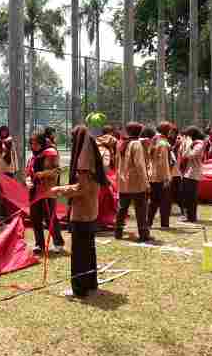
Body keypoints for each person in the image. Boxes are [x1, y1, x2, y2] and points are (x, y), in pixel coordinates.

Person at [50, 125, 109, 298]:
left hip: (82, 212)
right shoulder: (92, 158)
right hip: (90, 211)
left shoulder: (84, 162)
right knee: (88, 249)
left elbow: (81, 188)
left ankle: (79, 289)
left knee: (79, 252)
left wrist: (59, 189)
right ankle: (90, 283)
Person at [26, 131, 65, 254]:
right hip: (34, 190)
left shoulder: (51, 153)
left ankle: (58, 243)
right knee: (35, 217)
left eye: (35, 143)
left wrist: (43, 174)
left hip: (47, 190)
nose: (33, 146)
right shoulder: (33, 155)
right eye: (31, 143)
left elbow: (57, 170)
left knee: (50, 218)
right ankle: (39, 244)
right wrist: (28, 180)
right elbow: (29, 171)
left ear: (42, 143)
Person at [115, 122, 151, 242]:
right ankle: (143, 233)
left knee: (122, 209)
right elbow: (140, 165)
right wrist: (146, 183)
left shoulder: (122, 143)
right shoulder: (136, 144)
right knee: (140, 209)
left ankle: (118, 232)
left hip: (123, 182)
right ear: (139, 132)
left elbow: (117, 164)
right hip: (136, 184)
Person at [148, 122, 172, 228]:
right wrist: (166, 178)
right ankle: (164, 224)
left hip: (153, 175)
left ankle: (148, 222)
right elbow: (163, 163)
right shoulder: (163, 143)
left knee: (153, 201)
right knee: (165, 202)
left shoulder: (155, 141)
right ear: (167, 131)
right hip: (161, 177)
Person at [180, 126, 205, 223]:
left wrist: (189, 144)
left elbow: (190, 155)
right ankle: (188, 215)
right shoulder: (193, 144)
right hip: (187, 173)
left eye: (188, 135)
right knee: (186, 196)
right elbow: (184, 155)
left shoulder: (199, 144)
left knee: (192, 197)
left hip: (194, 173)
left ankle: (192, 217)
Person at [168, 124, 185, 218]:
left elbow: (179, 154)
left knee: (179, 192)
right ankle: (168, 210)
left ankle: (183, 210)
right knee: (169, 192)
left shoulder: (179, 141)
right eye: (170, 132)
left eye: (172, 132)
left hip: (176, 170)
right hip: (169, 172)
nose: (171, 134)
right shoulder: (168, 141)